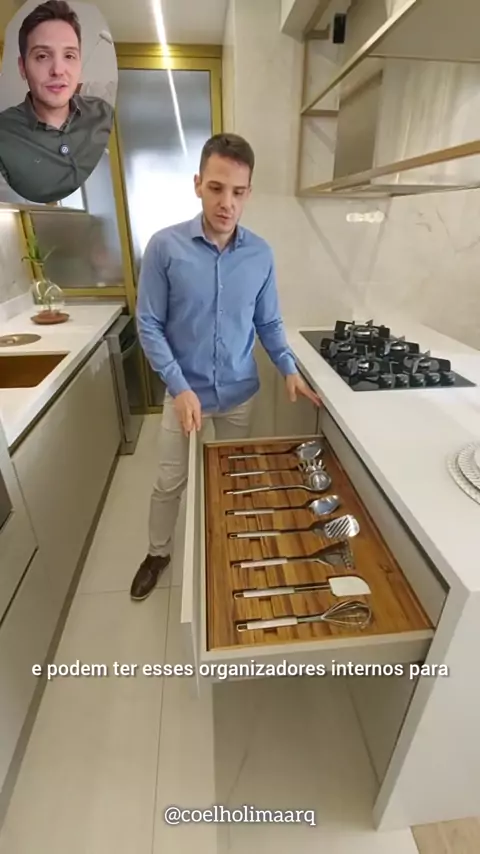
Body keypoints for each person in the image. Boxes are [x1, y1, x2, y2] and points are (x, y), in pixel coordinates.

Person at [131, 132, 321, 601]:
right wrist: (179, 388)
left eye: (238, 191)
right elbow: (148, 324)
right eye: (216, 188)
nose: (227, 203)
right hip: (184, 395)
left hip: (239, 394)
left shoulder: (260, 255)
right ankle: (157, 552)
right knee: (170, 481)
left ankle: (230, 547)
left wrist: (288, 368)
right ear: (198, 184)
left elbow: (268, 322)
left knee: (234, 477)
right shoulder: (164, 247)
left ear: (249, 192)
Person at [0, 0, 114, 204]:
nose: (58, 70)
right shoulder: (4, 135)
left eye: (69, 55)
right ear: (22, 68)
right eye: (43, 56)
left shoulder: (103, 113)